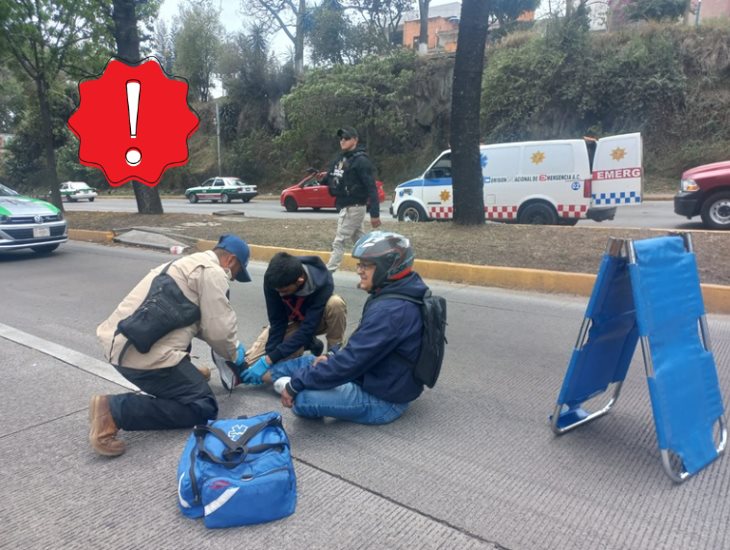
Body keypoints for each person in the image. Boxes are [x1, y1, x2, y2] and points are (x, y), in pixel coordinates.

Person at [90, 234, 252, 457]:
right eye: (236, 274)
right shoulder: (214, 273)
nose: (232, 278)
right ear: (231, 261)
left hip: (120, 343)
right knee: (203, 406)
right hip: (141, 358)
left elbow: (194, 321)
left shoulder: (184, 263)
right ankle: (114, 411)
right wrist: (236, 355)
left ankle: (184, 373)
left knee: (187, 344)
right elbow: (219, 333)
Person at [263, 231, 427, 425]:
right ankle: (267, 376)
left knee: (303, 399)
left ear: (388, 267)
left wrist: (295, 386)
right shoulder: (399, 291)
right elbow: (359, 348)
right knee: (310, 362)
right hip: (376, 375)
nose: (359, 270)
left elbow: (351, 362)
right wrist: (332, 356)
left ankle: (283, 382)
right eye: (360, 264)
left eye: (366, 265)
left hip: (382, 399)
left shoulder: (391, 311)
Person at [219, 252, 347, 389]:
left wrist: (270, 360)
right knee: (250, 365)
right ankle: (309, 344)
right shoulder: (273, 279)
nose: (280, 295)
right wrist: (269, 358)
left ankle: (334, 357)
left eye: (284, 291)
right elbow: (277, 322)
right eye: (277, 291)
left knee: (335, 303)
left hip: (316, 322)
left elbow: (307, 328)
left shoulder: (323, 281)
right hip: (291, 322)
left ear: (300, 280)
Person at [323, 126, 381, 272]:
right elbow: (333, 177)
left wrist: (375, 214)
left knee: (339, 241)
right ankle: (377, 267)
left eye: (346, 138)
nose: (342, 141)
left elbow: (371, 188)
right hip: (347, 206)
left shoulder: (361, 161)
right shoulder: (341, 159)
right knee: (360, 242)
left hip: (353, 207)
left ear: (355, 140)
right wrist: (322, 179)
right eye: (341, 138)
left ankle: (327, 272)